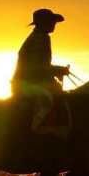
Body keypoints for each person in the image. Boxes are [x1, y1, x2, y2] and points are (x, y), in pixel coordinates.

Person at [12, 8, 71, 137]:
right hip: (26, 83)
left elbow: (41, 67)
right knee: (46, 100)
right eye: (52, 22)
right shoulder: (39, 39)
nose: (54, 24)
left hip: (28, 81)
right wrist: (59, 70)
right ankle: (34, 131)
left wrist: (57, 71)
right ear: (44, 23)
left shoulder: (41, 37)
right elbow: (38, 68)